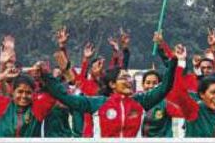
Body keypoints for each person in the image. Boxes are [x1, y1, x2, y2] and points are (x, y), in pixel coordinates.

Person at [42, 38, 178, 137]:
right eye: (124, 78)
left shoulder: (141, 102)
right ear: (112, 84)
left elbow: (165, 86)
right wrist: (46, 76)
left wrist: (172, 60)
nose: (129, 81)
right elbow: (64, 96)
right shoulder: (97, 103)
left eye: (129, 77)